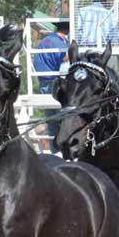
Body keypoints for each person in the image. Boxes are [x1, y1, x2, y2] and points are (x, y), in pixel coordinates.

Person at [34, 20, 70, 151]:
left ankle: (55, 152)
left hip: (43, 83)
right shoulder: (60, 45)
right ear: (67, 32)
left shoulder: (43, 42)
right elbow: (63, 64)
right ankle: (64, 151)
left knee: (51, 122)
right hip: (55, 85)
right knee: (64, 119)